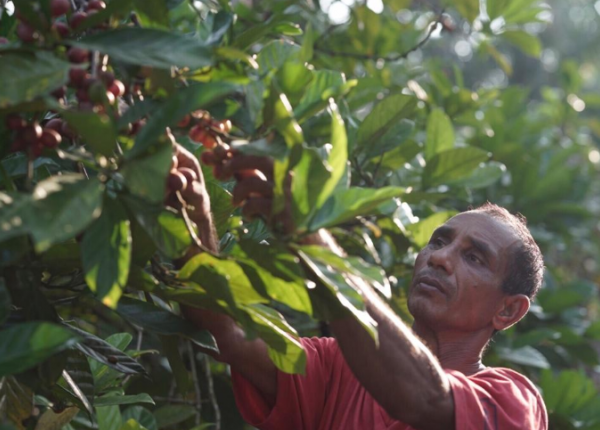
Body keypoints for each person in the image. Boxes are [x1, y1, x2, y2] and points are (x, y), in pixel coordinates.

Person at [174, 143, 548, 430]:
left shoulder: (512, 404)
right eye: (438, 241)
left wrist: (312, 241)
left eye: (475, 258)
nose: (440, 258)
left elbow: (424, 399)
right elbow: (225, 330)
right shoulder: (335, 364)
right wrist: (192, 213)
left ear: (508, 310)